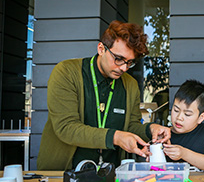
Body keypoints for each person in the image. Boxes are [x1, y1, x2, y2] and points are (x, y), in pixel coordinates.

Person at [37, 20, 170, 170]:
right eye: (118, 59)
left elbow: (130, 126)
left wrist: (150, 129)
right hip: (65, 173)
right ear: (101, 48)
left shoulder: (130, 85)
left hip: (110, 174)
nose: (124, 68)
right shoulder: (66, 73)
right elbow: (66, 127)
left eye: (130, 62)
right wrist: (116, 137)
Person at [163, 80, 204, 172]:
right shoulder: (164, 135)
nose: (179, 118)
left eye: (187, 114)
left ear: (201, 118)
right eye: (176, 110)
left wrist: (184, 153)